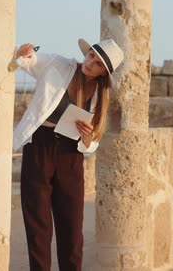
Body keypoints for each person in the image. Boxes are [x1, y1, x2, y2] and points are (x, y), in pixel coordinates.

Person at [12, 38, 124, 271]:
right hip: (39, 149)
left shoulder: (100, 96)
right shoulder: (58, 64)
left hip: (71, 156)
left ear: (104, 72)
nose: (90, 62)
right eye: (92, 54)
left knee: (72, 231)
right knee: (38, 228)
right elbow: (26, 60)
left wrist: (86, 137)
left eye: (97, 63)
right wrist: (25, 52)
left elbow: (91, 145)